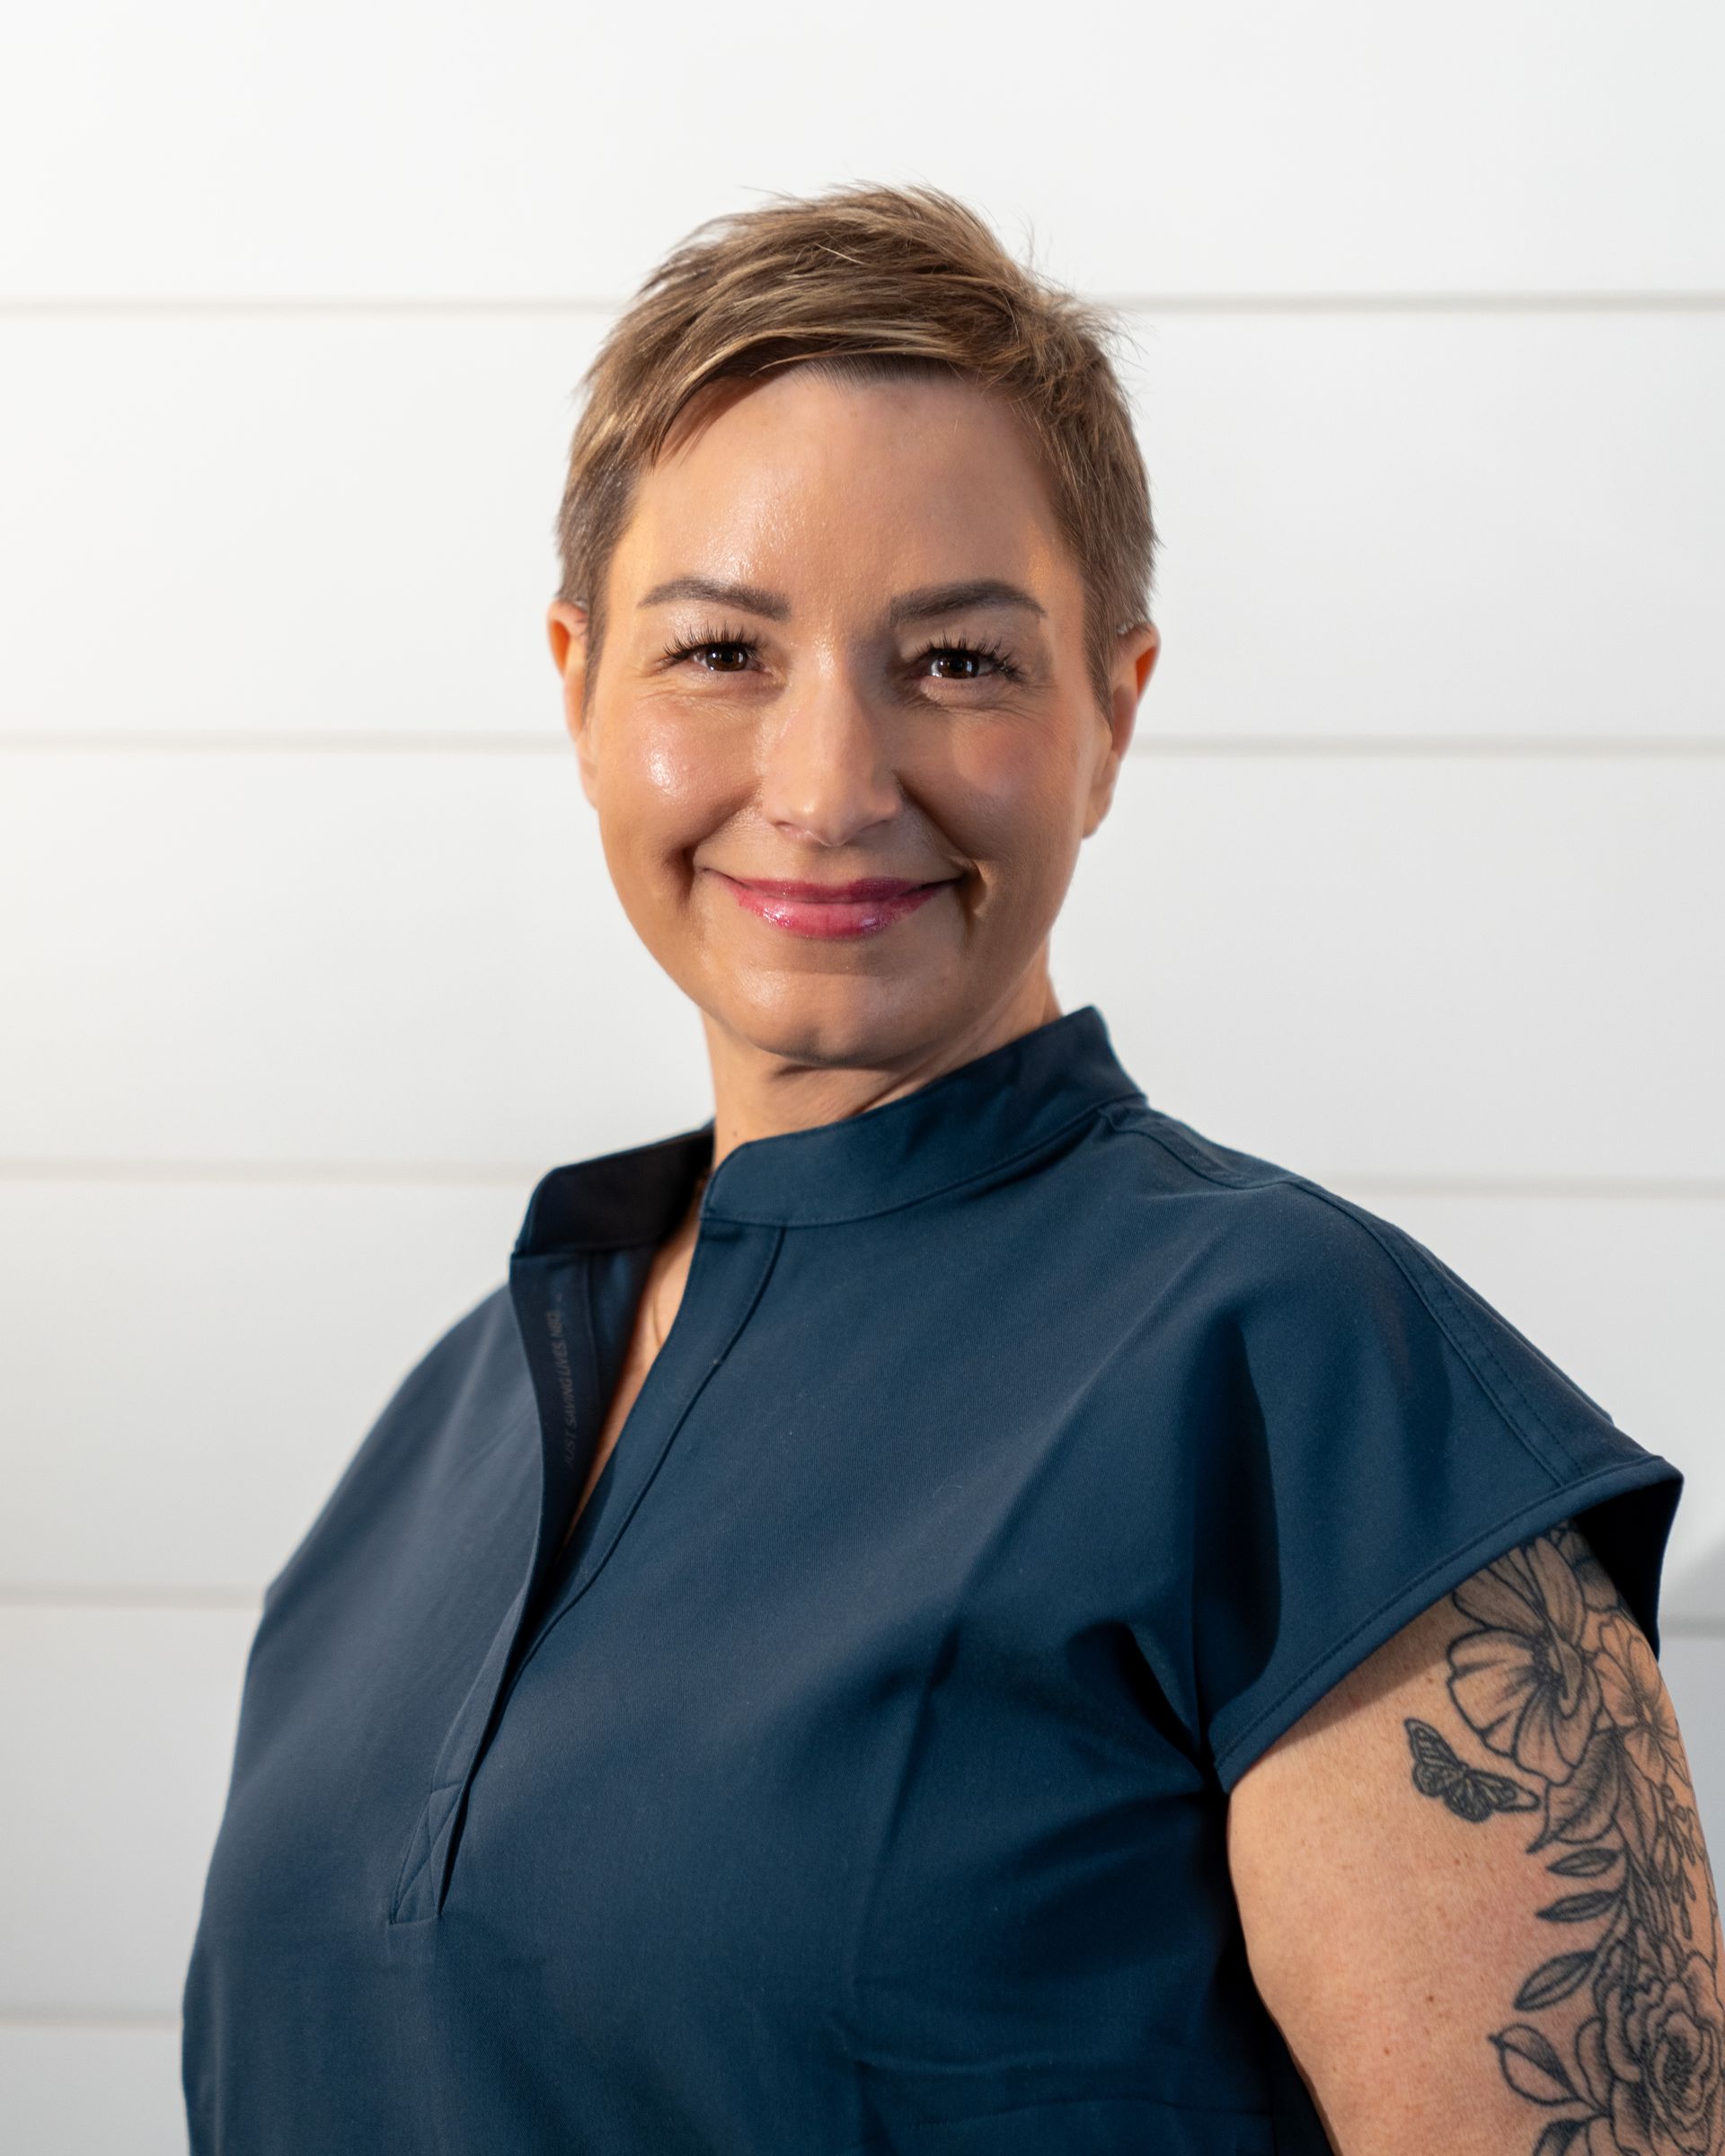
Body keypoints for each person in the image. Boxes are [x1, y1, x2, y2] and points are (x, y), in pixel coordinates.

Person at [181, 184, 1721, 2156]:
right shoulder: (442, 1434)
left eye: (963, 665)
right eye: (723, 649)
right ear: (580, 691)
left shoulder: (1315, 1392)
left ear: (1111, 718)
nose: (827, 787)